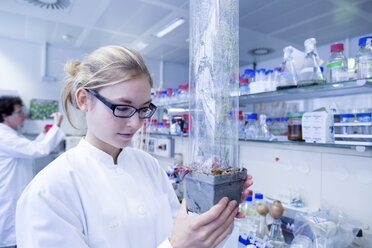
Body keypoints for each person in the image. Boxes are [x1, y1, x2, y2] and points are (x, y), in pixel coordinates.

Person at [15, 46, 253, 248]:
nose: (135, 123)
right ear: (83, 100)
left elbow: (184, 236)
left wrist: (216, 211)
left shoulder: (148, 165)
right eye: (122, 107)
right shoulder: (50, 191)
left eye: (143, 109)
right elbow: (177, 242)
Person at [0, 96, 64, 248]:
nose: (24, 115)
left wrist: (44, 134)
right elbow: (38, 150)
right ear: (5, 116)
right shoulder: (4, 137)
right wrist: (57, 125)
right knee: (9, 235)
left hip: (13, 192)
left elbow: (31, 147)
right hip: (8, 195)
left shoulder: (10, 134)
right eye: (19, 112)